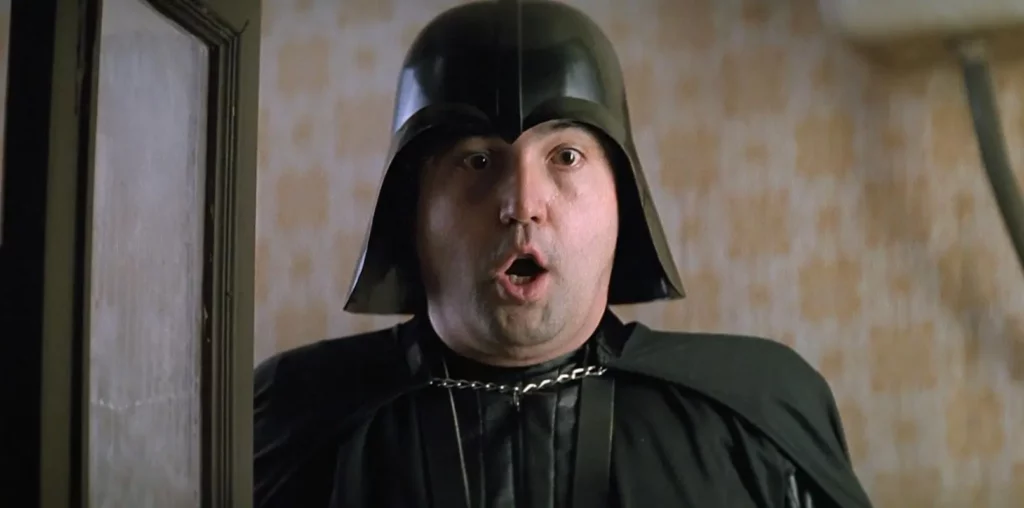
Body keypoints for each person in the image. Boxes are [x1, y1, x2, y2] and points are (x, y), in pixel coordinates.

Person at [253, 1, 874, 506]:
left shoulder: (759, 414)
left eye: (566, 157)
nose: (523, 204)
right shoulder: (286, 418)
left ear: (623, 197)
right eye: (477, 160)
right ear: (412, 208)